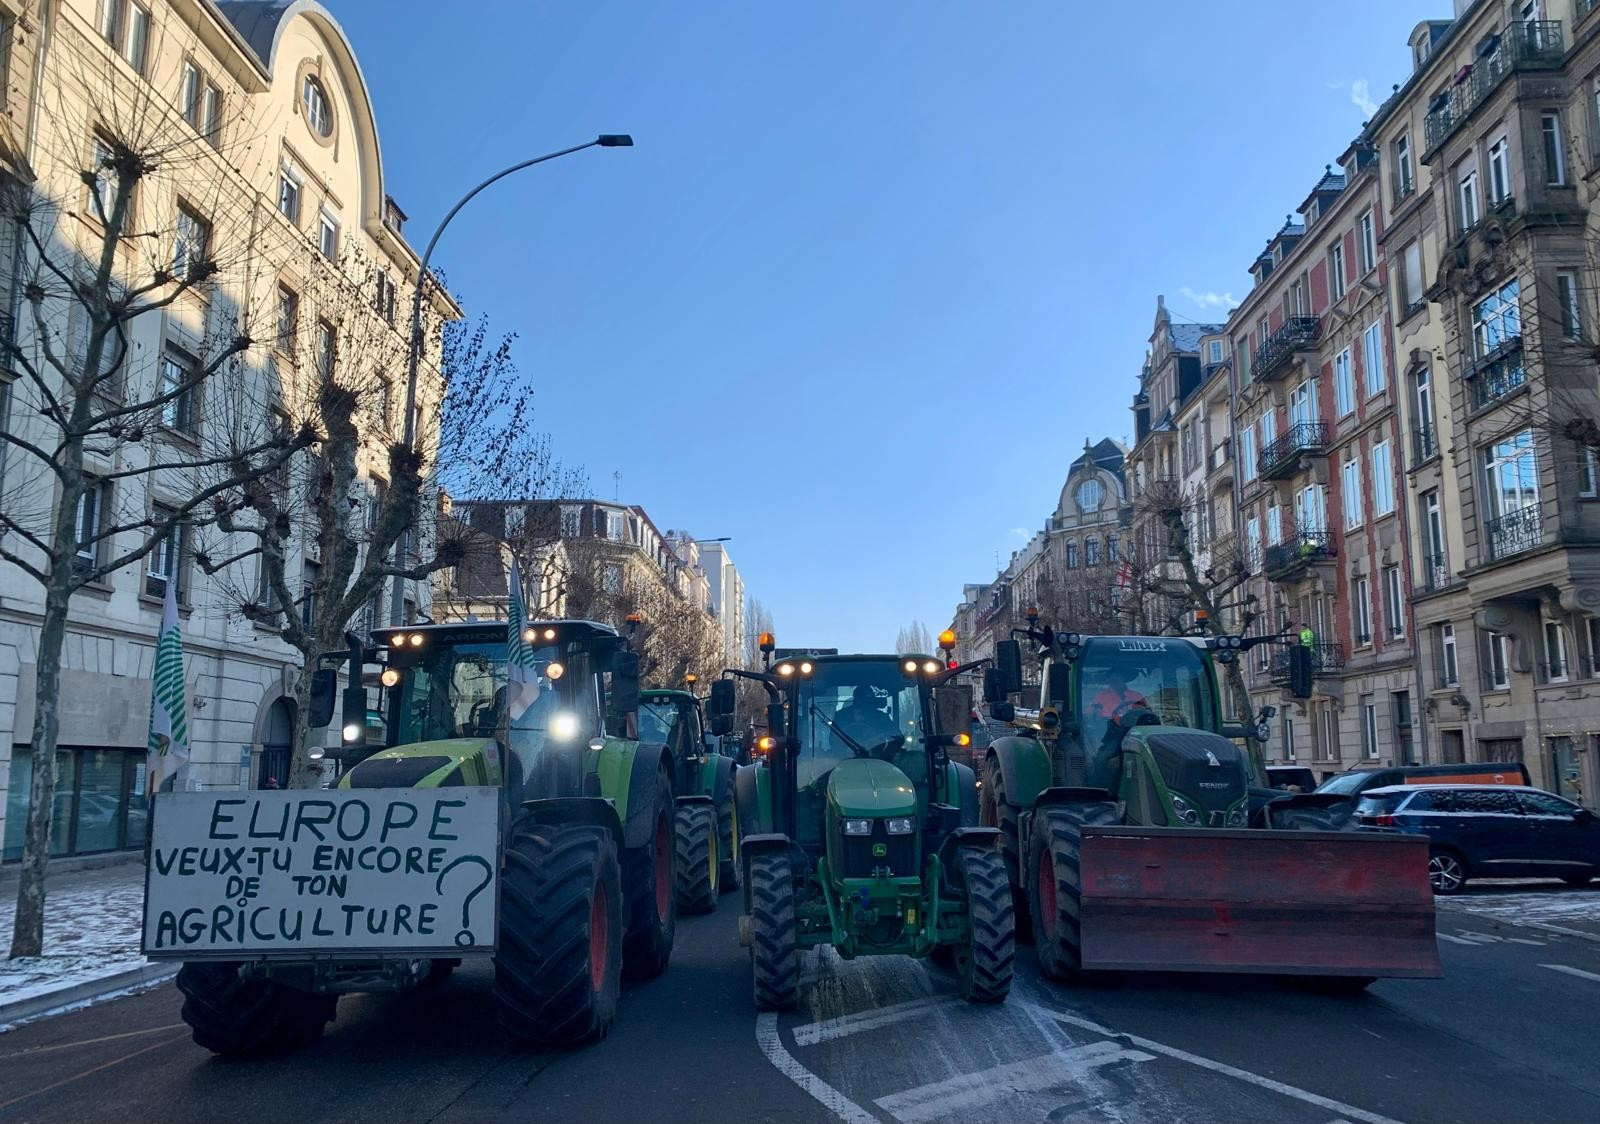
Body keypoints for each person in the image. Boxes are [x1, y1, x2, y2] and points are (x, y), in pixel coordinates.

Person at [831, 685, 899, 754]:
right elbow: (833, 739)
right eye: (861, 700)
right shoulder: (842, 716)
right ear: (855, 700)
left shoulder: (881, 717)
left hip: (879, 758)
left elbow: (895, 737)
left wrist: (884, 751)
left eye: (866, 701)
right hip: (844, 757)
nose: (863, 705)